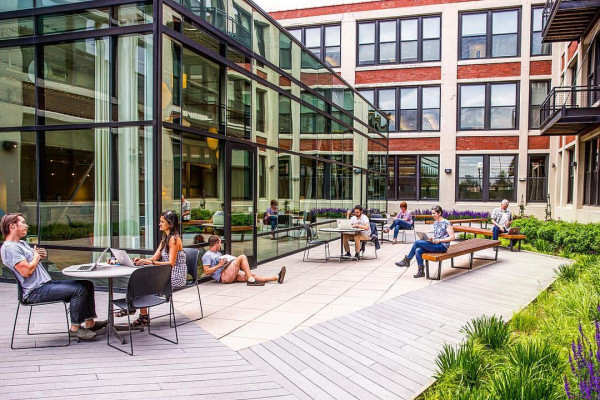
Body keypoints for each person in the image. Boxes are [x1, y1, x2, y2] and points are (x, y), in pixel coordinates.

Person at [0, 213, 107, 340]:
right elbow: (26, 272)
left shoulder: (21, 243)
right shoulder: (10, 248)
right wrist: (36, 256)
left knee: (86, 284)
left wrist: (39, 257)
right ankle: (75, 328)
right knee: (79, 290)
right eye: (23, 222)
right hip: (34, 291)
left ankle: (90, 324)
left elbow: (30, 263)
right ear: (12, 225)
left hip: (44, 284)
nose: (26, 225)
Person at [123, 210, 187, 327]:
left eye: (162, 222)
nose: (159, 224)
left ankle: (137, 312)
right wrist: (142, 260)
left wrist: (150, 262)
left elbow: (171, 264)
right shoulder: (165, 239)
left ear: (170, 224)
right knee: (139, 279)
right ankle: (135, 309)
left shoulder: (174, 239)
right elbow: (154, 258)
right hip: (166, 274)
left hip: (175, 276)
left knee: (142, 282)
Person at [395, 205, 455, 278]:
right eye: (432, 213)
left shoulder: (446, 223)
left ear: (439, 213)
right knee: (418, 250)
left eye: (434, 213)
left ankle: (407, 260)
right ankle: (421, 272)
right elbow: (437, 236)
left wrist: (439, 240)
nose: (432, 215)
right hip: (435, 244)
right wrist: (432, 239)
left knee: (417, 242)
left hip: (442, 246)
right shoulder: (436, 222)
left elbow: (452, 237)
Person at [202, 235, 285, 286]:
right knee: (242, 257)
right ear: (216, 244)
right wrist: (219, 265)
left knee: (251, 275)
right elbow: (206, 271)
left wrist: (227, 261)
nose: (221, 245)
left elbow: (221, 264)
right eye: (220, 243)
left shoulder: (218, 253)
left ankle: (276, 278)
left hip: (227, 271)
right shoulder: (207, 255)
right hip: (223, 276)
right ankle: (250, 281)